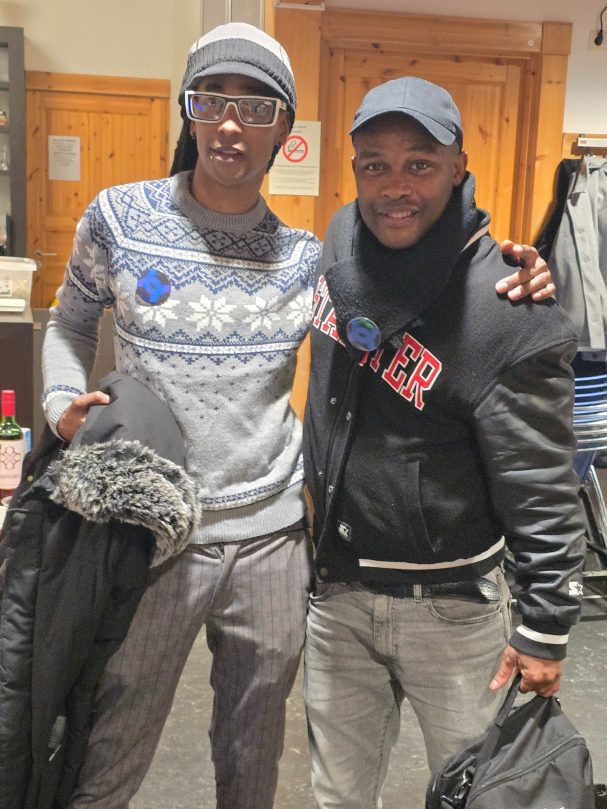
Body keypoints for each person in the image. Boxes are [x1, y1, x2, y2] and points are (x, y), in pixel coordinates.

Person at [40, 24, 554, 809]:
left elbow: (414, 278)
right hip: (155, 536)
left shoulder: (309, 258)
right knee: (111, 739)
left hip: (276, 540)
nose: (230, 124)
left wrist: (511, 268)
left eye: (255, 106)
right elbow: (68, 323)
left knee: (255, 752)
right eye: (211, 100)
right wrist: (56, 408)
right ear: (188, 110)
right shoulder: (124, 218)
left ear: (283, 129)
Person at [302, 76, 587, 809]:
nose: (395, 186)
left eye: (419, 164)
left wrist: (545, 624)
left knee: (482, 794)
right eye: (375, 164)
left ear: (458, 167)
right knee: (337, 796)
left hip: (451, 610)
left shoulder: (508, 308)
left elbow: (542, 480)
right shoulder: (340, 242)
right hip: (337, 592)